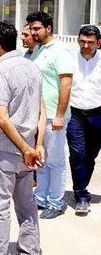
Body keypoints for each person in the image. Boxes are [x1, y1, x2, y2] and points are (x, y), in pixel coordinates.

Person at [0, 21, 45, 255]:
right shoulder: (31, 67)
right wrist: (35, 146)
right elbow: (42, 111)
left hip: (5, 149)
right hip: (27, 150)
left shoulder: (0, 71)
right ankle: (30, 250)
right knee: (26, 204)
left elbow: (3, 119)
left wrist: (27, 149)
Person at [27, 11, 74, 219]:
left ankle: (56, 201)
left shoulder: (61, 50)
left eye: (37, 28)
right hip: (38, 115)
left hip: (54, 116)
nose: (33, 32)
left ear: (48, 28)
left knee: (55, 160)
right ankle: (41, 197)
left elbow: (66, 83)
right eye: (31, 29)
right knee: (41, 159)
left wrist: (59, 115)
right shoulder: (38, 49)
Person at [66, 25, 101, 215]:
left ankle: (81, 185)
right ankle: (81, 196)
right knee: (77, 154)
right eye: (82, 41)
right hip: (75, 115)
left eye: (90, 42)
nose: (86, 45)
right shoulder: (69, 59)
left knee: (90, 157)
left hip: (98, 114)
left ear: (99, 43)